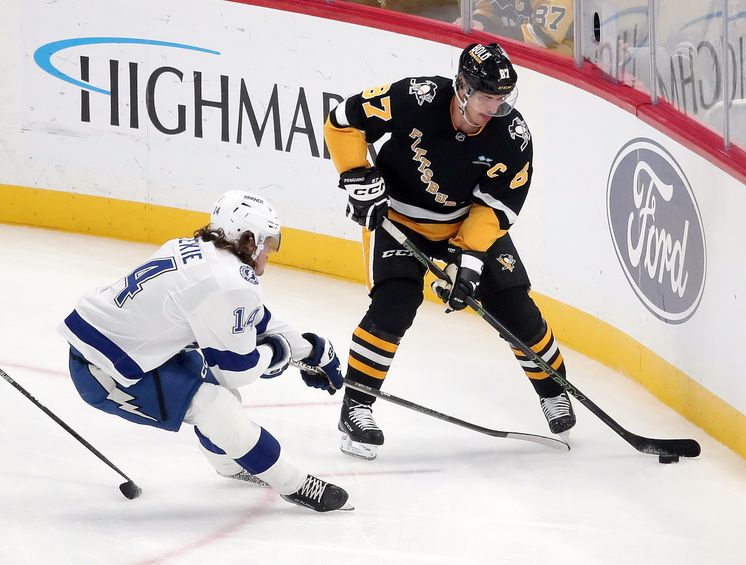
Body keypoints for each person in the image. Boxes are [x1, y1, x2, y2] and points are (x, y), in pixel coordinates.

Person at [323, 42, 575, 461]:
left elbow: (496, 206)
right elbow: (343, 121)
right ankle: (357, 406)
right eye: (486, 96)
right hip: (398, 220)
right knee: (394, 306)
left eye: (501, 98)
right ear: (461, 86)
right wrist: (356, 175)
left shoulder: (512, 136)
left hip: (464, 223)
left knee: (514, 308)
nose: (493, 108)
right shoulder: (415, 97)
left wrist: (469, 262)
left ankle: (554, 390)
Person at [57, 190, 352, 512]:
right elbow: (238, 370)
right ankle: (294, 484)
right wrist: (279, 351)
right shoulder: (228, 282)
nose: (271, 251)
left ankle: (228, 465)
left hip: (125, 352)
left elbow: (255, 317)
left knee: (220, 396)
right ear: (249, 239)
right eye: (269, 242)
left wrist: (310, 350)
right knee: (217, 405)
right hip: (106, 372)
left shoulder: (198, 252)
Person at [455, 1, 575, 57]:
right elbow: (489, 5)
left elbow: (542, 36)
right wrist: (479, 21)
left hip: (560, 61)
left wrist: (489, 32)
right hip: (513, 48)